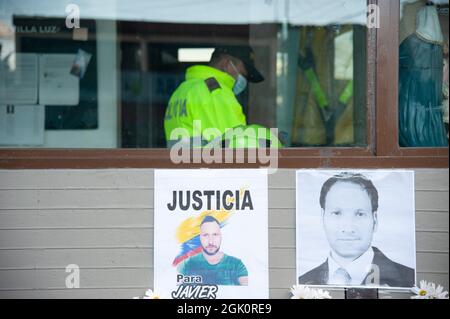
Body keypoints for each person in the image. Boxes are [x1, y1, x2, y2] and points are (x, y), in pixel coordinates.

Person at [298, 172, 415, 288]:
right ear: (322, 218)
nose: (348, 228)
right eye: (337, 213)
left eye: (360, 214)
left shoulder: (410, 280)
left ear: (375, 220)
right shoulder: (301, 283)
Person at [164, 45, 264, 147]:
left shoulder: (183, 89)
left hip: (182, 161)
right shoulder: (216, 93)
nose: (243, 81)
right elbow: (238, 145)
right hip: (204, 162)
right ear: (226, 64)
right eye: (242, 74)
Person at [177, 215, 248, 286]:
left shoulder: (236, 265)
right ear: (200, 238)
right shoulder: (186, 265)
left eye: (215, 234)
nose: (211, 241)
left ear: (221, 236)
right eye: (205, 235)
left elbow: (250, 293)